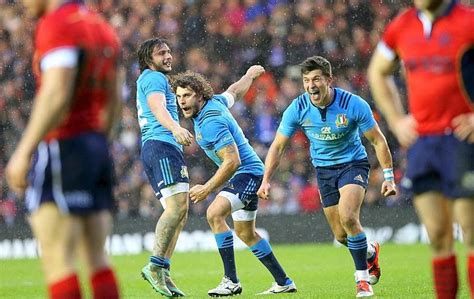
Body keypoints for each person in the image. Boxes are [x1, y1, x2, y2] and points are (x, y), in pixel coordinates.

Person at [5, 1, 121, 298]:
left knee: (58, 259)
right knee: (97, 258)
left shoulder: (58, 24)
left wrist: (23, 151)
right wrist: (97, 144)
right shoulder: (101, 27)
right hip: (95, 144)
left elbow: (57, 92)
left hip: (64, 144)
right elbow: (113, 101)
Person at [257, 56, 397, 298]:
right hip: (323, 170)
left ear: (329, 80)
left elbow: (377, 140)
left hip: (353, 165)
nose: (311, 85)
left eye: (316, 79)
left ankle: (362, 281)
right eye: (306, 80)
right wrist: (266, 179)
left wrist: (388, 176)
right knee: (341, 235)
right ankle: (370, 252)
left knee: (349, 217)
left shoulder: (353, 104)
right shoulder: (298, 108)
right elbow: (278, 146)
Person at [368, 1, 474, 298]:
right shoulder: (402, 26)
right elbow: (378, 71)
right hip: (423, 146)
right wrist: (396, 120)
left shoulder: (468, 21)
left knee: (471, 232)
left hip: (462, 142)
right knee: (438, 236)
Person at [173, 66, 297, 296]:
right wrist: (248, 75)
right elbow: (235, 91)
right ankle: (284, 281)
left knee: (214, 213)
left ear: (200, 95)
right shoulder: (215, 102)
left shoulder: (211, 121)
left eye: (187, 95)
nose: (182, 101)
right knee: (246, 234)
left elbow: (232, 161)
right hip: (250, 173)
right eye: (179, 96)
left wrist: (207, 188)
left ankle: (231, 281)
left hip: (247, 173)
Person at [136, 37, 193, 297]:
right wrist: (175, 127)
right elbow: (157, 106)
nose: (168, 56)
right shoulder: (153, 78)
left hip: (163, 146)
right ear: (149, 59)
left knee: (181, 211)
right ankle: (155, 265)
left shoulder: (156, 78)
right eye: (161, 53)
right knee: (176, 208)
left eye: (169, 51)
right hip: (161, 144)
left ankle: (164, 270)